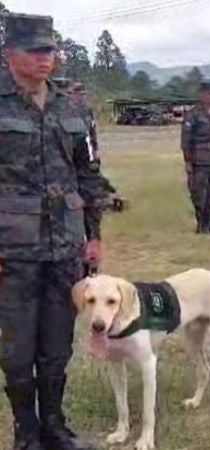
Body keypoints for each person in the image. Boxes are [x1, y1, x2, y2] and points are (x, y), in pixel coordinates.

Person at [0, 12, 106, 450]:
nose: (46, 58)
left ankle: (55, 427)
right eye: (36, 50)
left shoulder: (72, 107)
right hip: (12, 251)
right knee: (17, 350)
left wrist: (93, 235)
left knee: (58, 345)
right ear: (9, 54)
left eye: (50, 49)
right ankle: (26, 432)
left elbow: (89, 174)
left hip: (65, 248)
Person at [181, 82, 210, 233]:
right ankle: (201, 224)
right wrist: (188, 162)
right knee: (199, 194)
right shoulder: (193, 115)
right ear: (202, 95)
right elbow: (186, 141)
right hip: (199, 161)